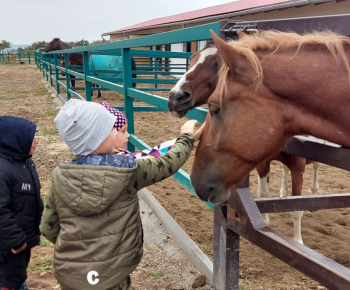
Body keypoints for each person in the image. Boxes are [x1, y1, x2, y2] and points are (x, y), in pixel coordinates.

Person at [40, 99, 204, 290]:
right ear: (98, 136)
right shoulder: (127, 170)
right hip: (112, 275)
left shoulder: (60, 177)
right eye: (111, 129)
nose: (117, 132)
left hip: (71, 276)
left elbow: (48, 228)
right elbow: (168, 164)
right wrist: (186, 137)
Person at [0, 116, 44, 290]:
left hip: (21, 241)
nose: (36, 141)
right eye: (32, 137)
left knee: (17, 275)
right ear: (16, 139)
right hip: (9, 246)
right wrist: (16, 240)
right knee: (10, 280)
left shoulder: (24, 162)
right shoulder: (3, 170)